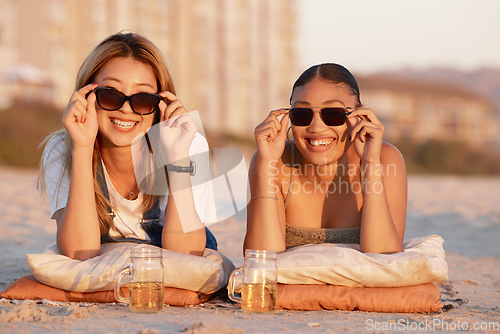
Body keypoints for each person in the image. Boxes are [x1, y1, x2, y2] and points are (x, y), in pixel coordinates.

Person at [39, 32, 216, 260]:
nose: (126, 108)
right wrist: (83, 150)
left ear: (161, 104)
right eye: (111, 95)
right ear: (86, 95)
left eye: (142, 98)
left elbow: (185, 255)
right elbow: (78, 252)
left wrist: (178, 158)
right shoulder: (63, 148)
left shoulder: (189, 144)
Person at [244, 63, 407, 254]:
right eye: (302, 115)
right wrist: (267, 166)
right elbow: (260, 260)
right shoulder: (273, 160)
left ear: (360, 115)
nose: (316, 127)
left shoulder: (385, 159)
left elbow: (385, 258)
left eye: (333, 115)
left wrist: (371, 165)